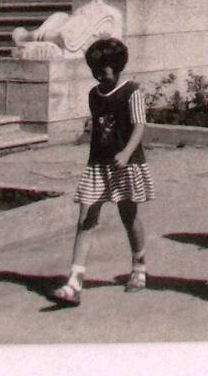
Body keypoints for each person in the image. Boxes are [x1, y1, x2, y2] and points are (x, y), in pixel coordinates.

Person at [53, 37, 154, 305]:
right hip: (98, 164)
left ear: (118, 66)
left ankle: (139, 266)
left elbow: (139, 127)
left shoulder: (132, 91)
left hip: (125, 163)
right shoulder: (93, 95)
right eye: (95, 70)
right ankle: (75, 281)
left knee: (128, 214)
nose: (99, 75)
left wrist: (126, 152)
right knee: (86, 215)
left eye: (104, 69)